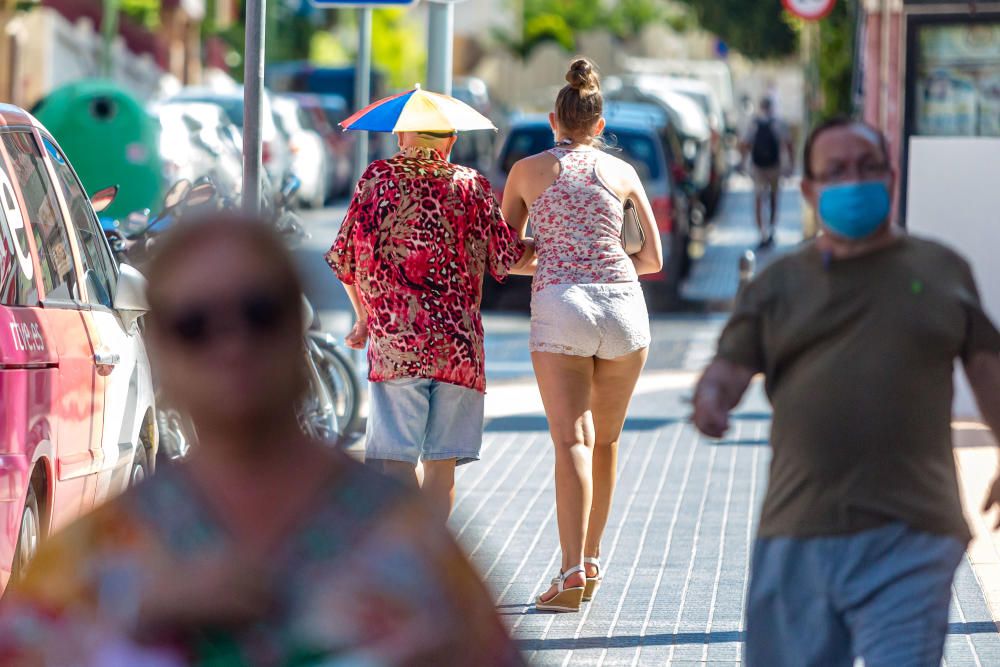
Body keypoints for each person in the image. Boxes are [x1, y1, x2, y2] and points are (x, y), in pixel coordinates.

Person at [0, 216, 525, 667]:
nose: (232, 344)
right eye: (195, 325)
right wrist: (130, 622)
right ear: (158, 347)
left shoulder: (411, 547)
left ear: (296, 327)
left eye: (258, 313)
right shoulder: (98, 556)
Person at [693, 118, 1000, 666]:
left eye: (868, 168)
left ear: (892, 177)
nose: (854, 181)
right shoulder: (778, 284)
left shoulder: (940, 270)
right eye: (835, 171)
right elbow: (729, 367)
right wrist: (712, 399)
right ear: (808, 190)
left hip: (913, 533)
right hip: (797, 534)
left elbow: (988, 369)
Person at [501, 58, 663, 613]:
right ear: (599, 123)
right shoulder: (623, 173)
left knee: (572, 439)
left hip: (561, 304)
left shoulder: (526, 171)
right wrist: (603, 262)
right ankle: (592, 560)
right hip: (624, 307)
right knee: (607, 441)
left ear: (553, 120)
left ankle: (569, 572)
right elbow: (652, 257)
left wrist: (552, 259)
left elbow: (506, 253)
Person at [327, 127, 530, 523]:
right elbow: (507, 256)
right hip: (459, 348)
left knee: (396, 462)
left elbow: (344, 260)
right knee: (441, 466)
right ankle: (434, 559)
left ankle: (407, 566)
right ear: (451, 141)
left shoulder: (376, 180)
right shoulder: (472, 185)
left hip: (397, 343)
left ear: (401, 136)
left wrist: (366, 317)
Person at [741, 97, 794, 249]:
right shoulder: (779, 123)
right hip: (774, 166)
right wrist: (790, 165)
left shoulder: (753, 123)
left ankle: (761, 233)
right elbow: (788, 143)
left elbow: (744, 144)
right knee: (774, 198)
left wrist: (743, 162)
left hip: (758, 168)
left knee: (758, 199)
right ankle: (771, 230)